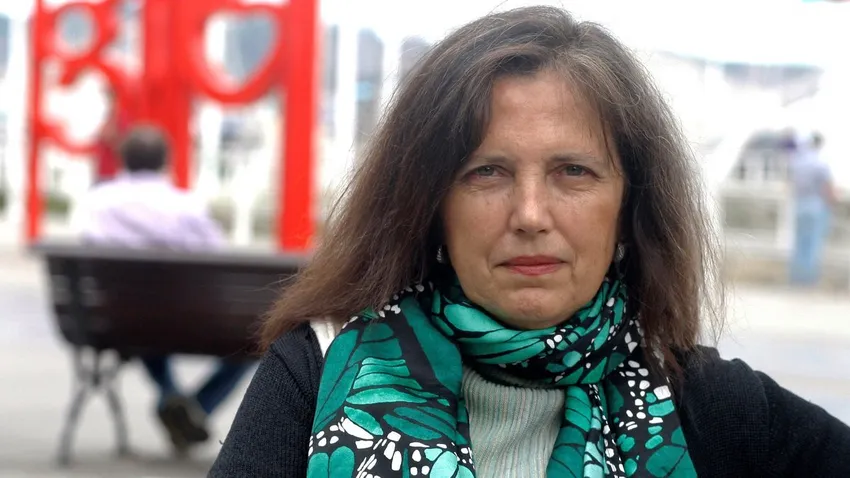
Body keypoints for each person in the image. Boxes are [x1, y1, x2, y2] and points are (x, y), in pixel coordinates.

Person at [210, 7, 850, 477]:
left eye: (574, 172)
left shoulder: (704, 402)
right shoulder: (316, 372)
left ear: (630, 208)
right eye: (486, 173)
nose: (531, 214)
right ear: (429, 205)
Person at [78, 125, 254, 452]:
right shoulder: (185, 206)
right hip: (185, 320)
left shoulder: (97, 202)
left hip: (116, 321)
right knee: (253, 343)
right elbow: (217, 254)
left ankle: (171, 395)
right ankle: (198, 407)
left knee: (143, 316)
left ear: (123, 159)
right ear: (165, 161)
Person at [788, 132, 835, 286]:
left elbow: (791, 183)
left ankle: (796, 276)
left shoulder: (797, 162)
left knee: (799, 242)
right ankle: (808, 279)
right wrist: (832, 202)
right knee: (812, 242)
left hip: (800, 204)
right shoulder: (820, 163)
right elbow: (827, 187)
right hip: (816, 204)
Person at [93, 89, 132, 184]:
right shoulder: (110, 115)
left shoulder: (122, 116)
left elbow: (123, 144)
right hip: (104, 172)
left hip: (114, 175)